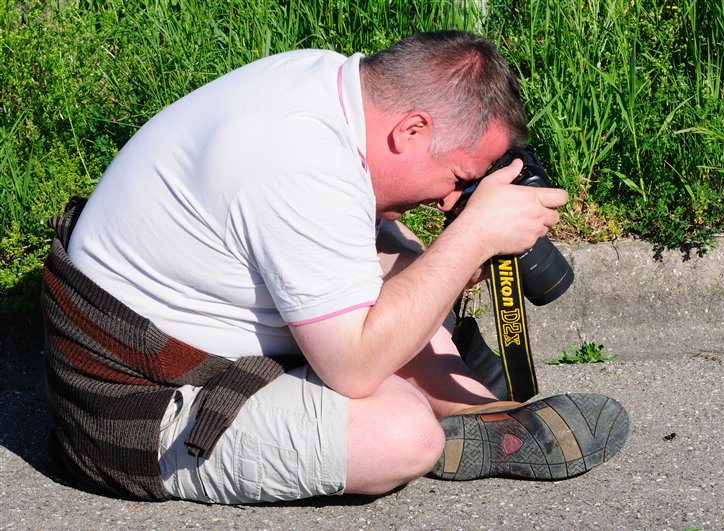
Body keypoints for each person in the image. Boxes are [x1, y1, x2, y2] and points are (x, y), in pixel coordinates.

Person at [41, 30, 628, 504]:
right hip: (134, 403)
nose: (452, 201)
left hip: (185, 330)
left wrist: (447, 256)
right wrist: (473, 236)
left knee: (400, 250)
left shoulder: (335, 89)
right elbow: (352, 369)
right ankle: (449, 417)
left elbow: (372, 241)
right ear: (412, 130)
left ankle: (471, 405)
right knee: (399, 433)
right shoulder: (297, 164)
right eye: (457, 179)